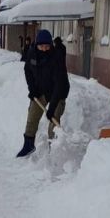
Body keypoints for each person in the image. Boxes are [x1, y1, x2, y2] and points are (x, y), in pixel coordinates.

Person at [16, 29, 70, 157]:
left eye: (47, 46)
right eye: (42, 46)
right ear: (37, 44)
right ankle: (28, 145)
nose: (44, 49)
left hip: (59, 91)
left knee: (54, 120)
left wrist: (51, 108)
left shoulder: (56, 57)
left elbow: (59, 84)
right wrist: (32, 89)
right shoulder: (32, 53)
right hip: (41, 89)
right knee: (32, 116)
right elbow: (27, 70)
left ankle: (54, 150)